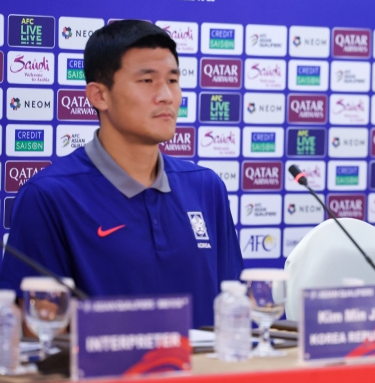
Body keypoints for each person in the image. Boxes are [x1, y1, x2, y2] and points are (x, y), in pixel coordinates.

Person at [0, 20, 243, 328]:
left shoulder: (206, 186)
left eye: (172, 80)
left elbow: (234, 301)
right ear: (99, 95)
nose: (167, 96)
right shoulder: (50, 195)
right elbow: (34, 327)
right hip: (104, 376)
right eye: (147, 81)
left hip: (205, 375)